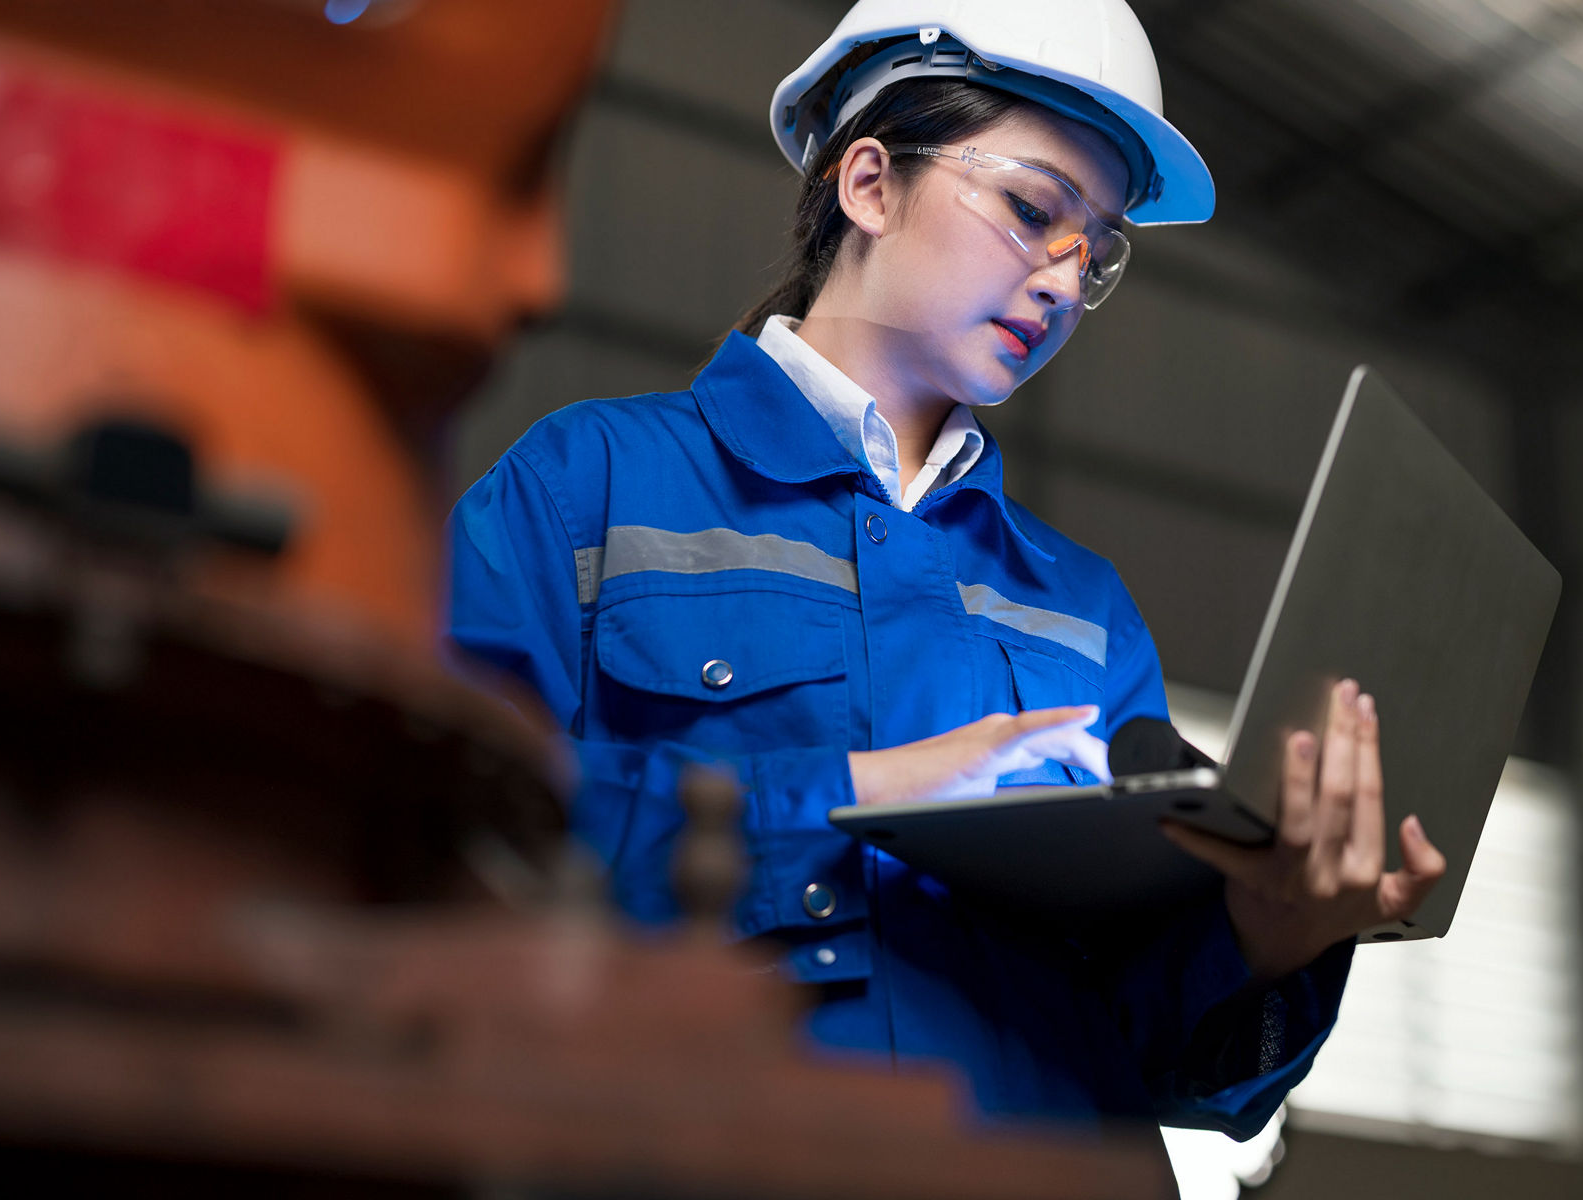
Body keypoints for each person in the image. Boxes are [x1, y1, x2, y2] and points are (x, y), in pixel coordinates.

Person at [446, 0, 1446, 1150]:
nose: (1066, 286)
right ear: (867, 183)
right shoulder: (589, 490)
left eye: (1098, 250)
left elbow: (1152, 1045)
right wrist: (859, 794)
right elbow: (438, 842)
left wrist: (1272, 933)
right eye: (1032, 211)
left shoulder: (1083, 613)